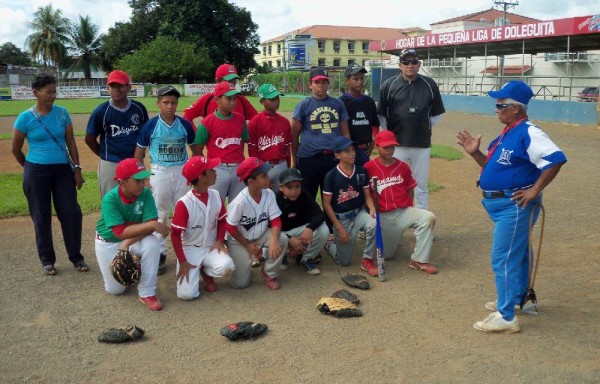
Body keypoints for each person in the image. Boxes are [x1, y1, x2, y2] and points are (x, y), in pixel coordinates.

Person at [456, 80, 567, 333]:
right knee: (518, 253)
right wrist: (475, 153)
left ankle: (506, 316)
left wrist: (535, 190)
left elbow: (556, 159)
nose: (496, 109)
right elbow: (498, 167)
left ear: (516, 108)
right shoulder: (507, 133)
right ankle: (516, 299)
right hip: (501, 204)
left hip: (514, 205)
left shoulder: (529, 131)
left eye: (501, 105)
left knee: (503, 258)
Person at [12, 74, 88, 276]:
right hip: (36, 171)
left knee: (71, 213)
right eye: (48, 92)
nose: (53, 96)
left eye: (54, 91)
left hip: (63, 171)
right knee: (41, 215)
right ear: (35, 92)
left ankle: (76, 257)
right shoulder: (25, 118)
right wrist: (29, 167)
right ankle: (47, 260)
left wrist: (77, 169)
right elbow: (16, 149)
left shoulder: (62, 113)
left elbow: (71, 142)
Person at [134, 85, 197, 275]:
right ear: (158, 103)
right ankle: (160, 254)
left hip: (181, 171)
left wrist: (193, 172)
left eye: (173, 102)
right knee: (159, 213)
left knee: (184, 211)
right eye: (165, 102)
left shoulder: (184, 124)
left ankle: (186, 251)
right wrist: (145, 177)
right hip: (159, 171)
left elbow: (195, 150)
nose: (170, 106)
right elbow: (138, 154)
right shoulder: (151, 125)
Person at [94, 158, 170, 311]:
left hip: (132, 239)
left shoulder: (145, 193)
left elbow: (149, 227)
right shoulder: (110, 199)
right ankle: (136, 264)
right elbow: (120, 232)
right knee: (117, 290)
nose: (143, 183)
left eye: (144, 179)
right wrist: (153, 224)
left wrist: (127, 243)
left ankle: (147, 292)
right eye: (137, 180)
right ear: (122, 182)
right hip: (107, 241)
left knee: (152, 244)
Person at [377, 48, 445, 210]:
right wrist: (393, 137)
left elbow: (436, 115)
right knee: (396, 182)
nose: (410, 65)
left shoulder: (429, 84)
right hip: (397, 145)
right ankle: (399, 218)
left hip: (421, 144)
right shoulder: (389, 85)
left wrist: (419, 126)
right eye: (406, 62)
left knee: (420, 185)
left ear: (419, 64)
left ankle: (421, 222)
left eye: (414, 62)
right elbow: (382, 116)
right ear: (400, 64)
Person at [364, 131, 437, 274]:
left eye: (392, 147)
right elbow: (364, 195)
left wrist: (409, 207)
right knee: (389, 256)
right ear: (376, 147)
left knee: (428, 217)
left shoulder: (403, 166)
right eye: (386, 147)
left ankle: (419, 260)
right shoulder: (368, 168)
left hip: (403, 211)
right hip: (382, 217)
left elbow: (410, 189)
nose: (390, 150)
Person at [171, 156, 235, 300]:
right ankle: (198, 269)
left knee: (227, 266)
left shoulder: (216, 195)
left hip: (211, 246)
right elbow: (175, 235)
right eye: (211, 170)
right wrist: (183, 262)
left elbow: (222, 220)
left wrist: (219, 240)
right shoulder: (184, 203)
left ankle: (205, 271)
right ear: (201, 177)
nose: (215, 171)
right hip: (190, 249)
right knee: (186, 295)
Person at [225, 157, 288, 290]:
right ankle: (244, 260)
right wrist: (247, 245)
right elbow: (229, 227)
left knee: (281, 239)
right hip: (240, 240)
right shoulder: (239, 202)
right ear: (251, 182)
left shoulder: (269, 194)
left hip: (261, 235)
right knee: (241, 284)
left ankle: (269, 273)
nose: (268, 177)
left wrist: (274, 240)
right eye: (264, 176)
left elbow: (276, 219)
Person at [85, 70, 149, 197]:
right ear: (107, 88)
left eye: (120, 85)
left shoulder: (139, 108)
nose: (116, 89)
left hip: (135, 162)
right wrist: (104, 154)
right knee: (110, 200)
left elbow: (145, 136)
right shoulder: (101, 111)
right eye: (112, 86)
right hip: (111, 163)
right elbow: (89, 139)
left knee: (137, 200)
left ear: (128, 87)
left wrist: (140, 158)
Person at [291, 67, 350, 200]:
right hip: (309, 158)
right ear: (310, 85)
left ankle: (331, 221)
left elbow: (345, 134)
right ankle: (309, 221)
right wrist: (294, 162)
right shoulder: (304, 105)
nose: (321, 85)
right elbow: (294, 136)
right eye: (317, 82)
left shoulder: (338, 104)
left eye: (324, 82)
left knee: (334, 197)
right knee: (307, 196)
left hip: (333, 158)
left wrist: (346, 156)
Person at [322, 136, 378, 275]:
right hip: (342, 219)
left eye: (353, 150)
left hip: (359, 213)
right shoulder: (331, 176)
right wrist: (339, 227)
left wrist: (371, 208)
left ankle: (367, 260)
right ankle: (330, 244)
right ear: (337, 155)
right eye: (347, 151)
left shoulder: (360, 171)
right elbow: (327, 204)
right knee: (343, 262)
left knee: (374, 223)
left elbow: (366, 194)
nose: (352, 153)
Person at [194, 82, 248, 203]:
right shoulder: (207, 122)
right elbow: (197, 150)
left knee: (238, 205)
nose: (233, 102)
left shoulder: (240, 119)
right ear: (217, 99)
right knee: (215, 205)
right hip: (217, 169)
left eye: (235, 98)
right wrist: (205, 170)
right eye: (228, 98)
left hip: (238, 167)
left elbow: (244, 141)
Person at [276, 168, 329, 275]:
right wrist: (289, 239)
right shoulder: (276, 198)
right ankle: (282, 256)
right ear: (281, 187)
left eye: (297, 186)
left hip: (299, 231)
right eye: (289, 187)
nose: (294, 191)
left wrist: (310, 228)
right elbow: (270, 226)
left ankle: (305, 259)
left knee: (324, 229)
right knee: (275, 236)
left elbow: (320, 214)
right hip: (281, 232)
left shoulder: (304, 194)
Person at [183, 63, 258, 127]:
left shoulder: (241, 99)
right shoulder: (207, 99)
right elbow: (186, 117)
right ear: (217, 81)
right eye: (228, 80)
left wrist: (248, 134)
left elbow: (258, 119)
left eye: (234, 80)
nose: (232, 83)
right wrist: (195, 135)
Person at [248, 83, 292, 192]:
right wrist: (258, 170)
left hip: (282, 164)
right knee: (263, 197)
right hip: (264, 166)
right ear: (262, 101)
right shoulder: (255, 122)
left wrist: (288, 166)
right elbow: (252, 150)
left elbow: (287, 148)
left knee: (281, 197)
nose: (276, 101)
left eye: (277, 98)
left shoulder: (284, 122)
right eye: (272, 99)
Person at [340, 63, 380, 166]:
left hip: (363, 150)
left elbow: (375, 124)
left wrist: (374, 141)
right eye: (356, 79)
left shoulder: (369, 101)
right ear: (347, 81)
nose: (360, 82)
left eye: (362, 78)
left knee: (363, 179)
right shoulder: (341, 102)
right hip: (346, 150)